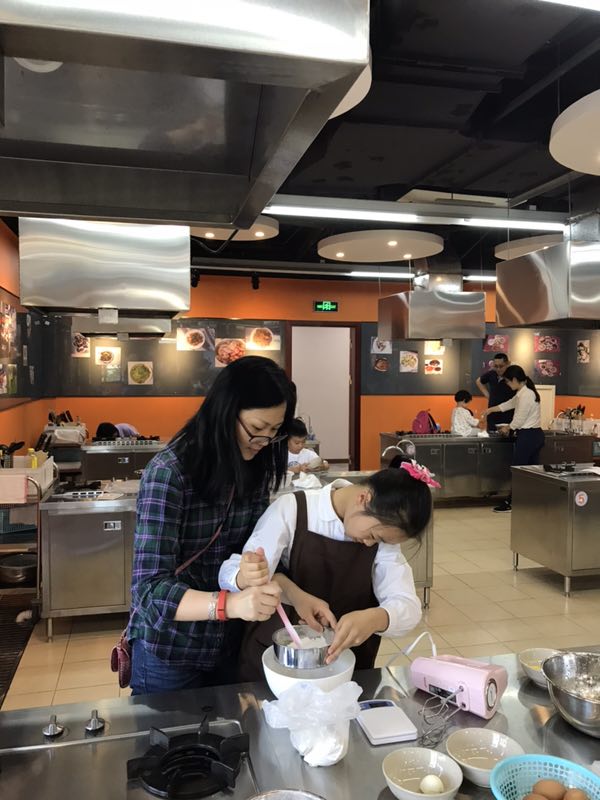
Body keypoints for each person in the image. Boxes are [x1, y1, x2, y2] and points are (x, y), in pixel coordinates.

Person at [127, 356, 296, 695]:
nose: (264, 441)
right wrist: (229, 605)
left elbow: (253, 552)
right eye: (257, 428)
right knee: (172, 730)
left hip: (229, 645)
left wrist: (291, 592)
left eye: (274, 432)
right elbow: (149, 592)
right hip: (172, 650)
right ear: (225, 412)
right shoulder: (169, 472)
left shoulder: (254, 468)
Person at [219, 457, 437, 682]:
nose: (370, 544)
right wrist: (246, 574)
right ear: (363, 498)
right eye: (373, 535)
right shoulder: (293, 509)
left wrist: (376, 618)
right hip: (282, 658)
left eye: (379, 540)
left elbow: (408, 606)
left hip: (340, 664)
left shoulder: (382, 540)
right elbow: (230, 573)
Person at [482, 364, 544, 513]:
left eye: (508, 381)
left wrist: (508, 428)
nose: (508, 385)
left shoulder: (526, 395)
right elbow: (509, 404)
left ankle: (511, 502)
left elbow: (519, 419)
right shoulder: (523, 393)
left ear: (515, 379)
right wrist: (491, 410)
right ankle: (528, 501)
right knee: (530, 471)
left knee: (518, 470)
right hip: (534, 435)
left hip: (528, 436)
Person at [476, 353, 515, 432]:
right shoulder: (492, 373)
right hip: (492, 415)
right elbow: (478, 381)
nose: (498, 369)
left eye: (501, 366)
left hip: (507, 415)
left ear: (508, 364)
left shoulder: (513, 376)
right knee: (492, 436)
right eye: (496, 366)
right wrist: (488, 395)